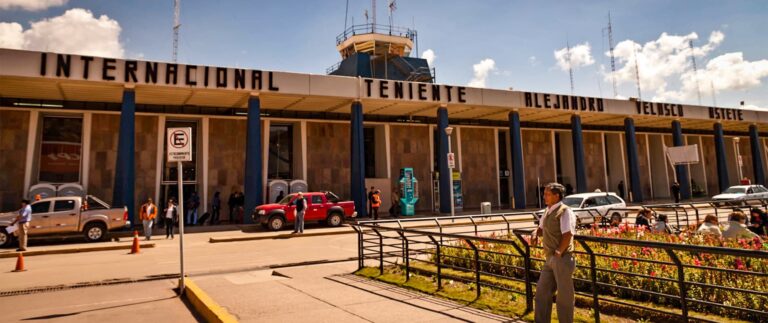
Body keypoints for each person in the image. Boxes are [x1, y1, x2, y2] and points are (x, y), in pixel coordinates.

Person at [532, 183, 576, 323]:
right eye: (544, 193)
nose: (544, 196)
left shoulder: (564, 211)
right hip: (550, 259)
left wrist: (558, 252)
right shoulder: (547, 211)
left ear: (557, 196)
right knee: (542, 293)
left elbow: (567, 234)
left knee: (564, 298)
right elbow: (540, 228)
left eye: (547, 194)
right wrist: (534, 233)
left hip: (562, 258)